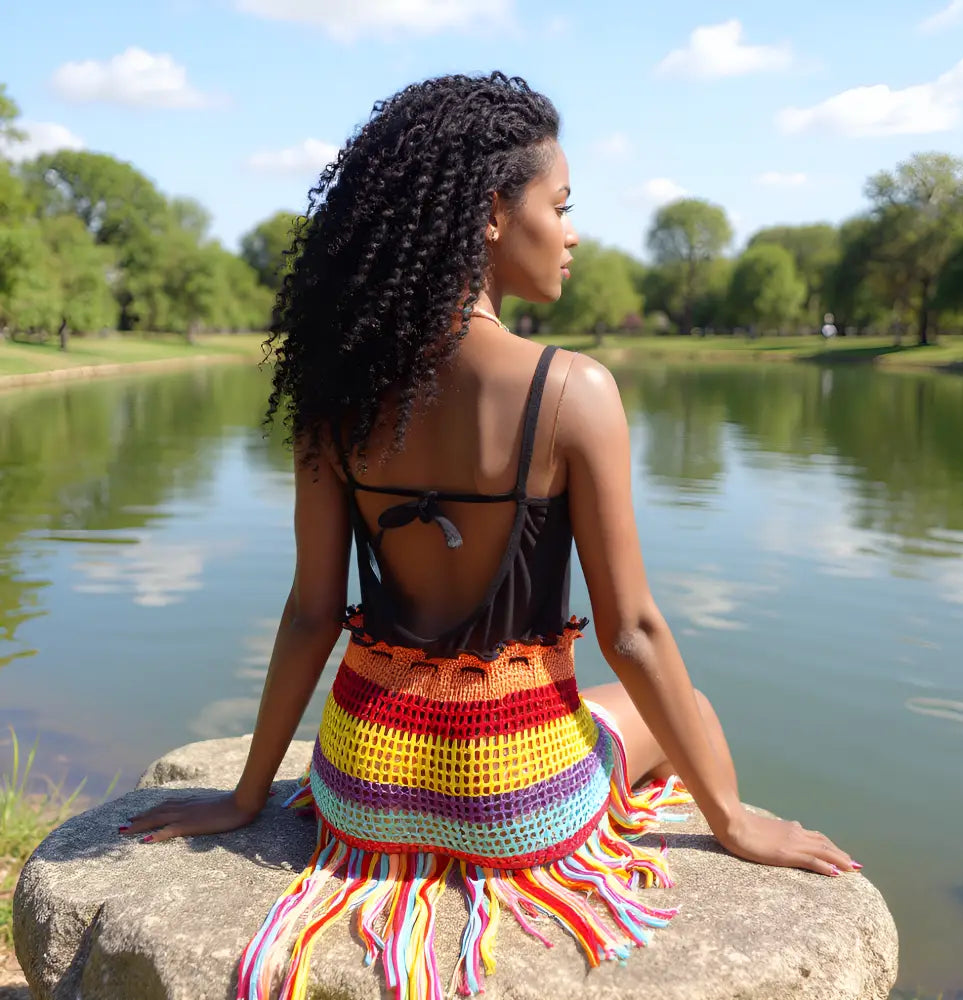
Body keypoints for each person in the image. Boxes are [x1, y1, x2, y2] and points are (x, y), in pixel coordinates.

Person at [121, 72, 859, 1000]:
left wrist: (246, 797)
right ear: (489, 216)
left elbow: (312, 614)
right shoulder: (571, 391)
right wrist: (738, 825)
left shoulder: (334, 394)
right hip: (515, 793)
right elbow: (631, 633)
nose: (575, 232)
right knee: (695, 715)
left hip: (363, 786)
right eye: (561, 204)